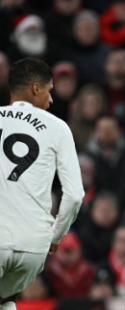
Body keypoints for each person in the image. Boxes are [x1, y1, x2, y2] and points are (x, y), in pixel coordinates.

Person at [0, 58, 84, 309]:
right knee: (6, 299)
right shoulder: (58, 128)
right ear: (36, 89)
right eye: (49, 91)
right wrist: (56, 236)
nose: (51, 100)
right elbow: (75, 195)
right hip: (34, 245)